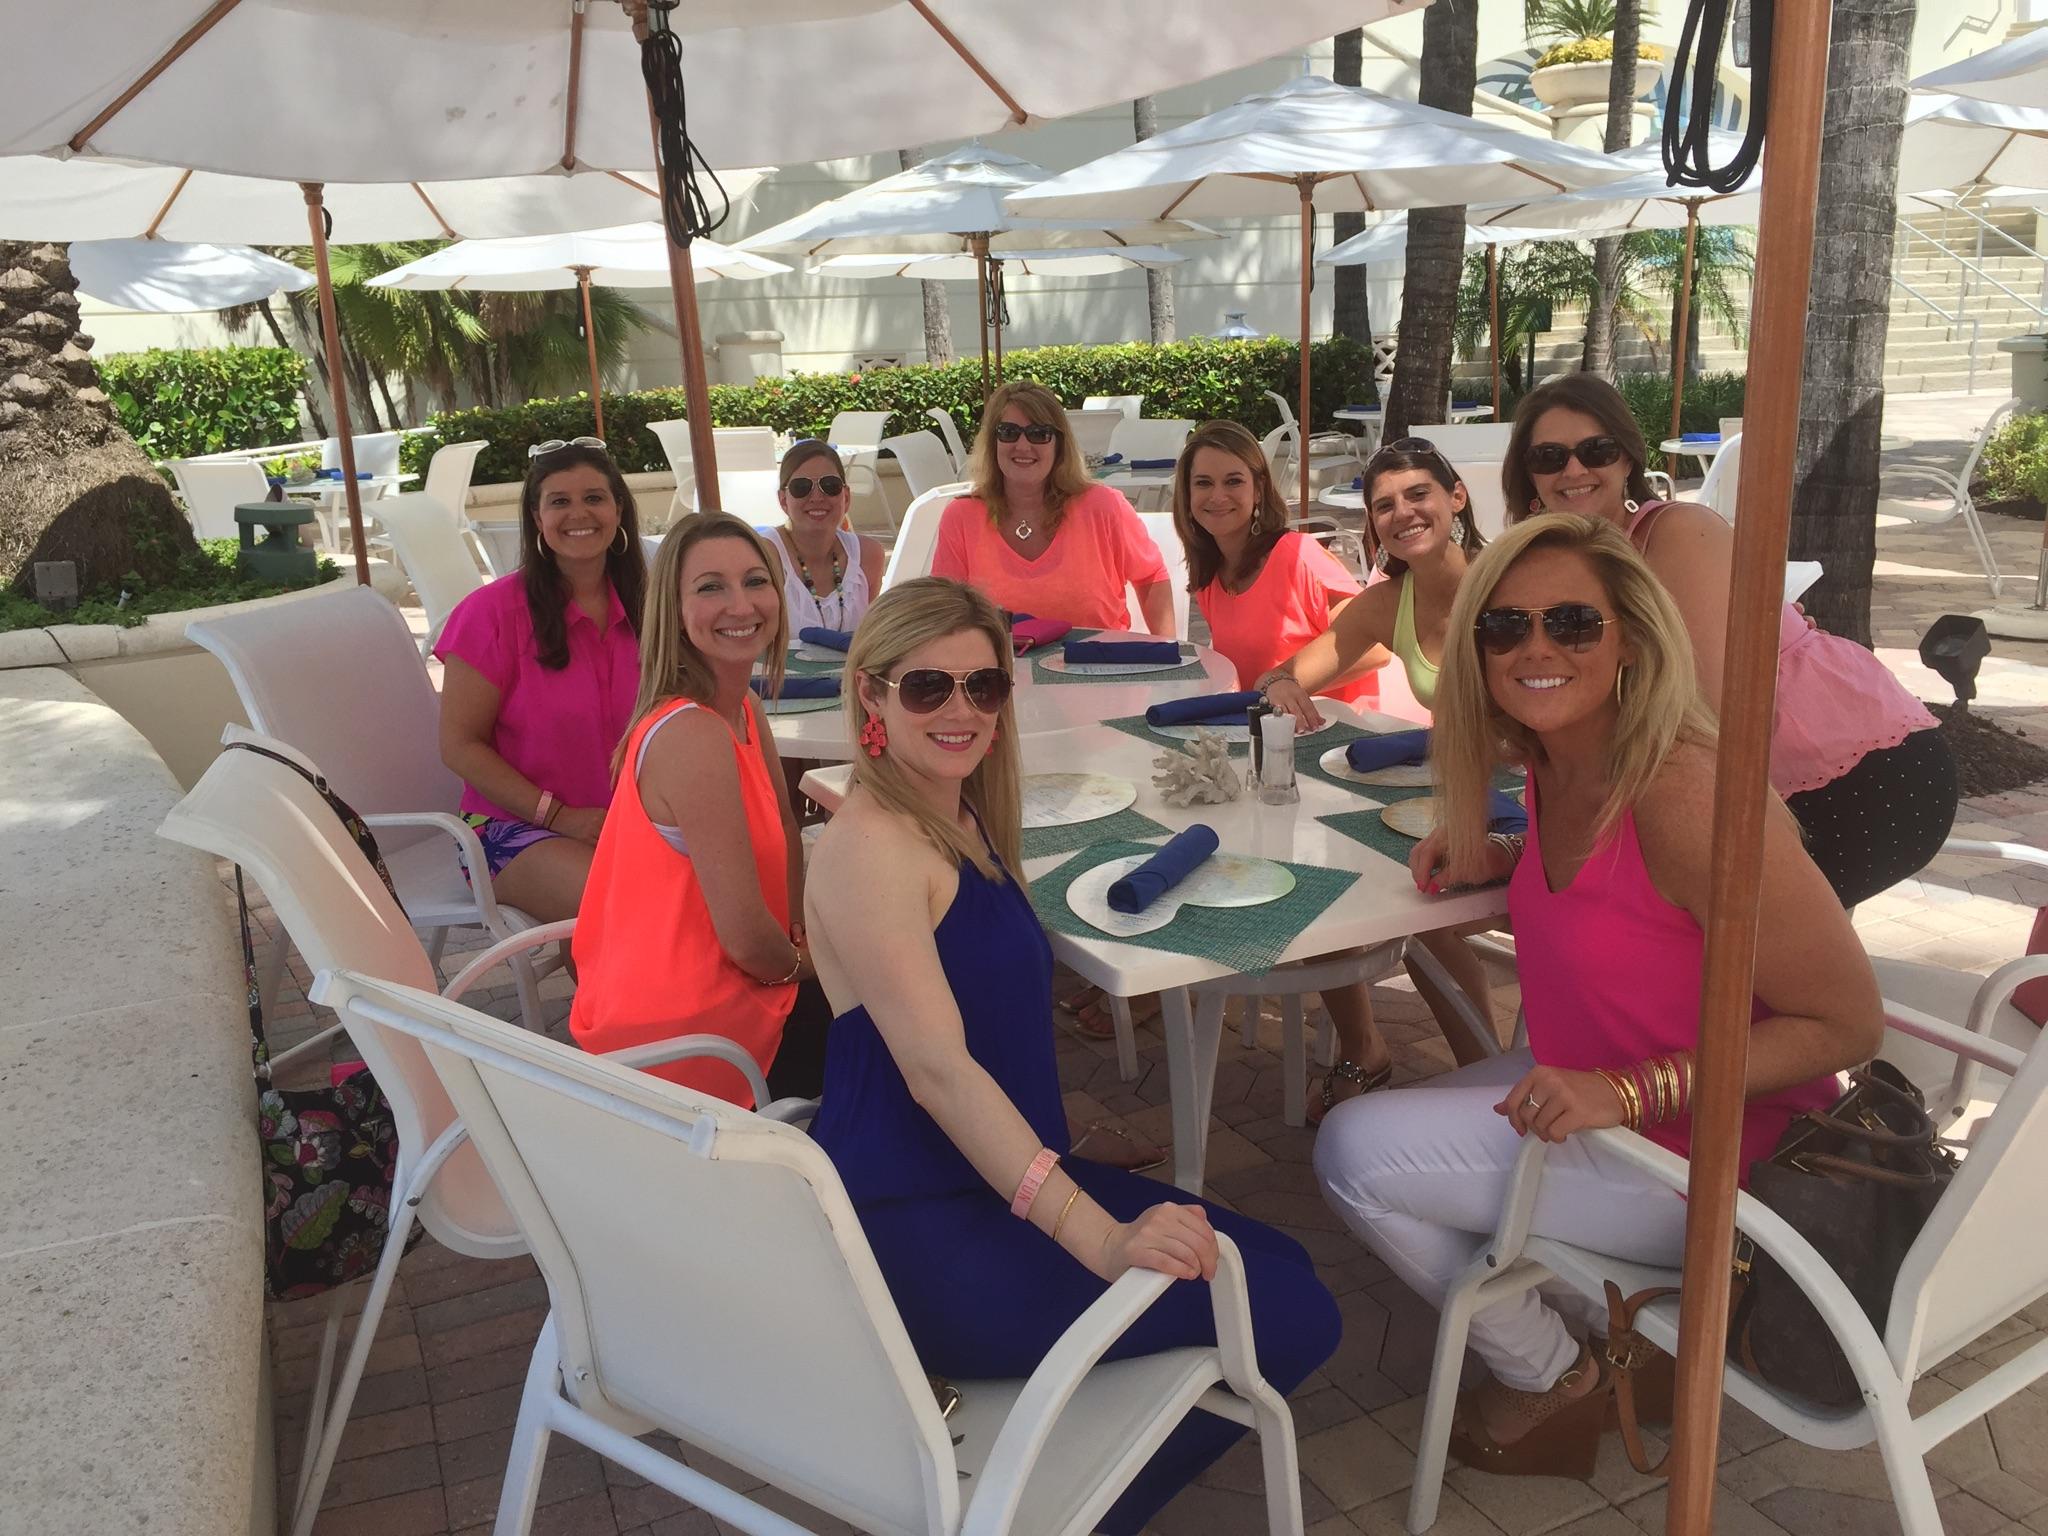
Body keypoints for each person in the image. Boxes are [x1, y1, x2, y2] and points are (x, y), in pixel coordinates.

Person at [1315, 513, 1882, 1478]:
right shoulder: (1558, 757)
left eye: (1573, 623)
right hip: (1594, 1094)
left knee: (1352, 1153)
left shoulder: (1683, 791)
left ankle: (1554, 1372)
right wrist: (1502, 855)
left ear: (1630, 640)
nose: (1536, 649)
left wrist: (1628, 1092)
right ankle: (1623, 1328)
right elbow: (1622, 900)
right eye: (1505, 627)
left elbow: (1847, 1021)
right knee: (1388, 1138)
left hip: (1712, 1159)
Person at [804, 577, 1340, 1535]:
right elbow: (938, 1073)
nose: (962, 710)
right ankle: (1062, 1516)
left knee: (1284, 1267)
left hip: (992, 1183)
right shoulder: (871, 846)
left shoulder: (957, 812)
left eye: (983, 685)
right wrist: (1099, 1239)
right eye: (927, 687)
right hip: (917, 1219)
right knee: (1292, 1315)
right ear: (871, 694)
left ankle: (1065, 1485)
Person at [1503, 373, 1957, 907]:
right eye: (1550, 457)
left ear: (1627, 459)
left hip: (1860, 771)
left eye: (1596, 450)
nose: (1574, 469)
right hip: (1754, 781)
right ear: (1529, 476)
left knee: (1733, 941)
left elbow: (1700, 710)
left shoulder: (1676, 533)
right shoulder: (1558, 566)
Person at [1154, 420, 1394, 1115]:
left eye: (1234, 480)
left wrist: (1292, 678)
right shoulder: (1212, 573)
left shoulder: (1295, 555)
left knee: (1302, 880)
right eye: (1204, 483)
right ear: (1186, 495)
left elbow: (1379, 643)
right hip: (1278, 755)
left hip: (1344, 753)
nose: (1218, 495)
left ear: (1260, 488)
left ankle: (1368, 1049)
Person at [1251, 432, 1500, 1073]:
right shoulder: (1390, 602)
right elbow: (1284, 673)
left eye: (1418, 495)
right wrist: (1280, 686)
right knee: (1327, 870)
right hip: (1460, 792)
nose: (1402, 513)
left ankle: (1480, 1072)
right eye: (1384, 505)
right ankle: (1381, 1055)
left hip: (1531, 795)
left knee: (1421, 907)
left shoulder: (1504, 583)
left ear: (1457, 497)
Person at [568, 513, 829, 1105]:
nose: (741, 604)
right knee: (902, 1013)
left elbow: (786, 829)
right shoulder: (692, 734)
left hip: (732, 991)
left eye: (755, 581)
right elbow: (747, 942)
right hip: (692, 1044)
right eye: (711, 587)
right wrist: (813, 962)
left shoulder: (743, 709)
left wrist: (798, 932)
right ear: (675, 610)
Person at [436, 437, 645, 922]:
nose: (579, 513)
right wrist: (559, 817)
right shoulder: (489, 615)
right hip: (511, 827)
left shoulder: (652, 608)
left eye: (594, 497)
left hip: (627, 823)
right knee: (623, 903)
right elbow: (459, 746)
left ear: (618, 510)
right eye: (559, 502)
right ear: (536, 518)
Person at [930, 381, 1173, 633]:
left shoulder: (1103, 507)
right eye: (1008, 432)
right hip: (1001, 659)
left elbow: (1151, 576)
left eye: (1039, 433)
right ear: (993, 443)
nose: (1023, 446)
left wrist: (1168, 648)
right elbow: (945, 610)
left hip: (1099, 657)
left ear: (1059, 444)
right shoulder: (961, 518)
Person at [761, 439, 887, 633]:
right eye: (801, 487)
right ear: (783, 500)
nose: (817, 497)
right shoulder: (765, 555)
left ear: (846, 497)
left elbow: (867, 637)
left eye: (830, 485)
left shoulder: (868, 555)